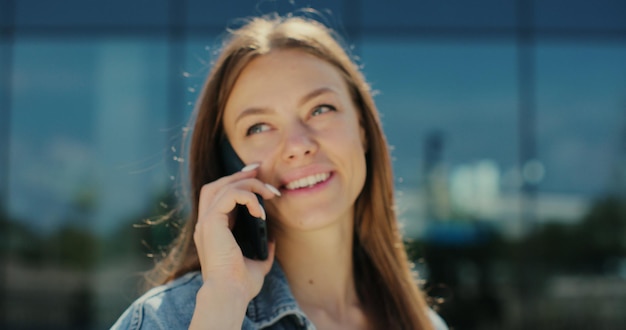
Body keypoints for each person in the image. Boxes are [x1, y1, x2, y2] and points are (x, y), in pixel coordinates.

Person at [112, 13, 447, 330]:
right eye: (259, 127)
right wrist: (223, 304)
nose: (298, 145)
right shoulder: (167, 319)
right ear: (229, 163)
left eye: (320, 109)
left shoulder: (424, 324)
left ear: (361, 127)